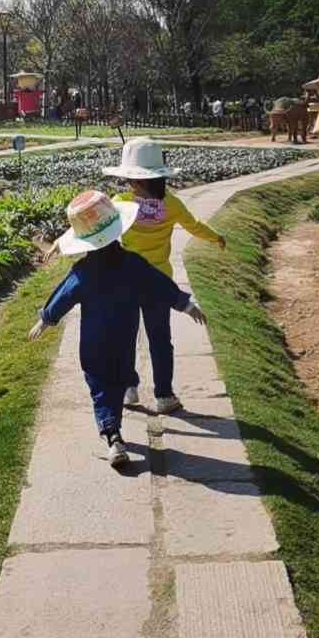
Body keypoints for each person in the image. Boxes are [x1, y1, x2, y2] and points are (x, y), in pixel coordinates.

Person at [29, 189, 205, 468]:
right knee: (120, 380)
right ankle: (114, 429)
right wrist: (185, 304)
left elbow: (63, 295)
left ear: (84, 242)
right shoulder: (133, 264)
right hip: (124, 341)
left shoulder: (82, 273)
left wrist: (46, 319)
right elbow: (159, 284)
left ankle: (113, 436)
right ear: (117, 231)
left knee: (100, 388)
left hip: (93, 345)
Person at [103, 136, 225, 413]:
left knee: (125, 336)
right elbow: (194, 227)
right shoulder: (171, 204)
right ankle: (164, 395)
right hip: (159, 283)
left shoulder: (120, 203)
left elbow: (101, 234)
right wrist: (216, 237)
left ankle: (128, 389)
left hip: (126, 281)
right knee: (160, 339)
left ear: (132, 179)